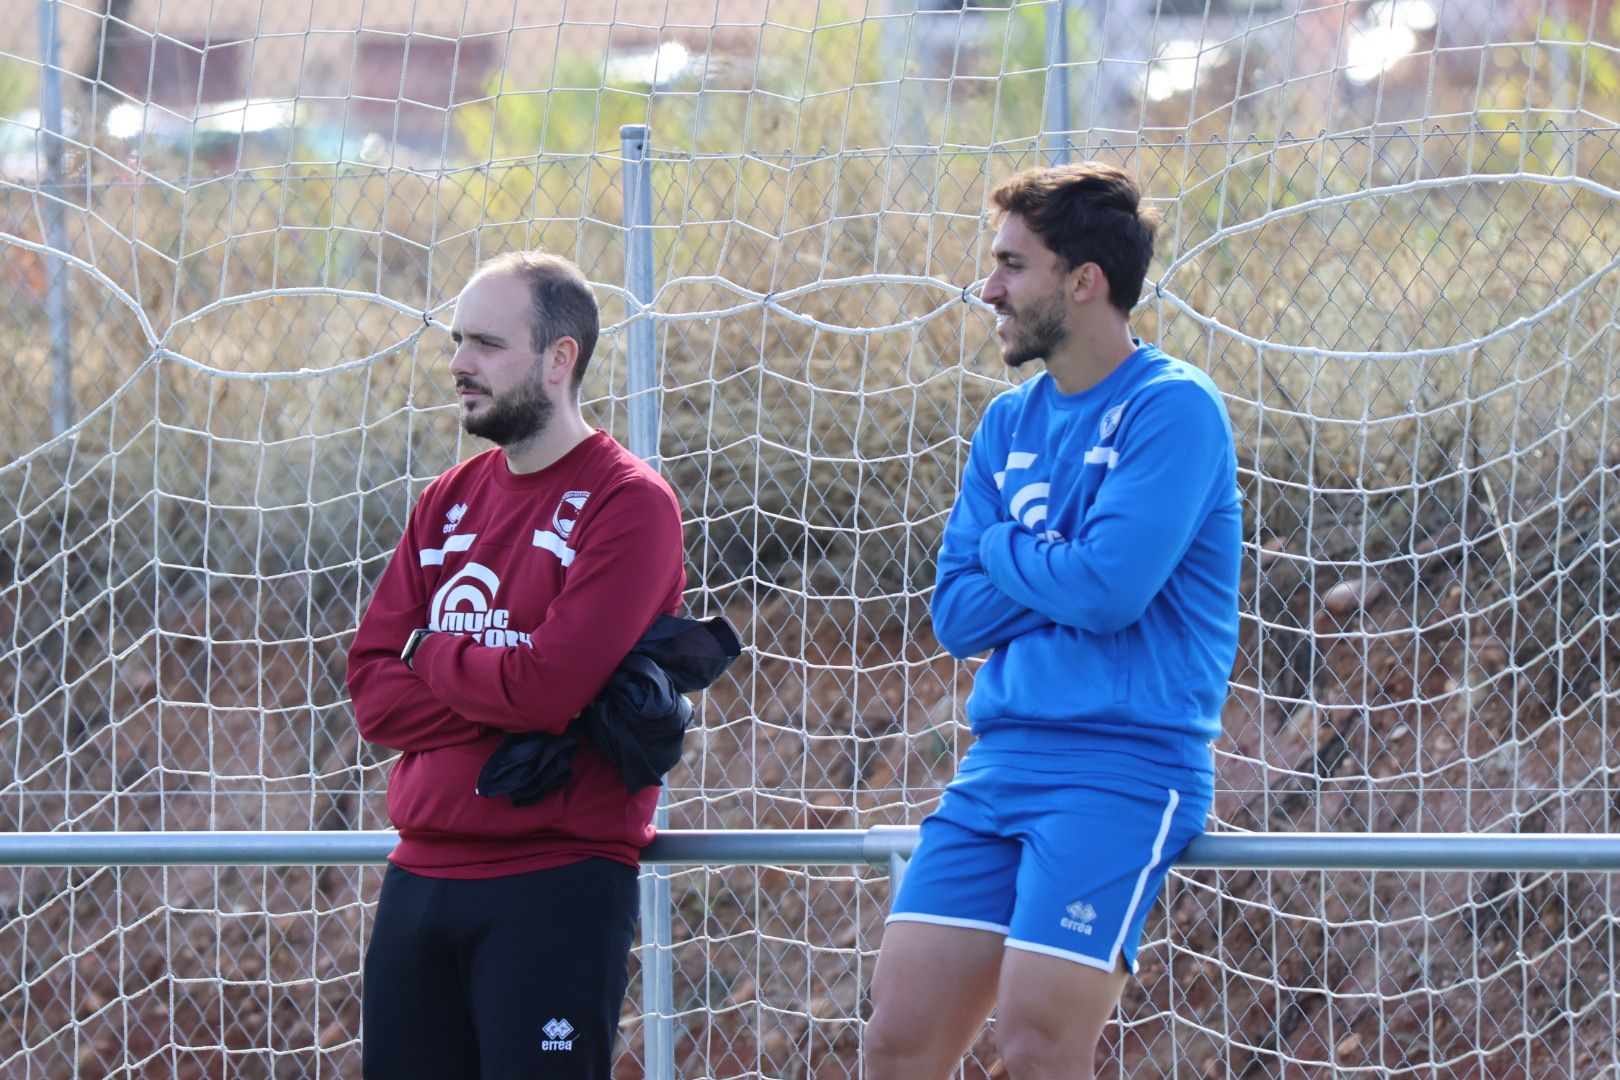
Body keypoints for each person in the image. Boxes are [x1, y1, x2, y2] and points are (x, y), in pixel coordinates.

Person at [864, 164, 1242, 1080]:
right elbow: (954, 615)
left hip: (1124, 767)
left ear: (1084, 281)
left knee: (1035, 1043)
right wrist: (1058, 563)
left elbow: (1111, 592)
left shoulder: (1172, 408)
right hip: (997, 765)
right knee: (897, 1042)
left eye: (1011, 266)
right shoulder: (1006, 423)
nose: (987, 289)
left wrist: (1005, 550)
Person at [346, 251, 686, 1078]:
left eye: (487, 345)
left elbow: (548, 689)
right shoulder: (447, 499)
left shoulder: (629, 503)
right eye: (459, 341)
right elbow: (372, 694)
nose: (460, 364)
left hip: (554, 881)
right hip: (417, 876)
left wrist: (433, 654)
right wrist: (506, 678)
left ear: (558, 358)